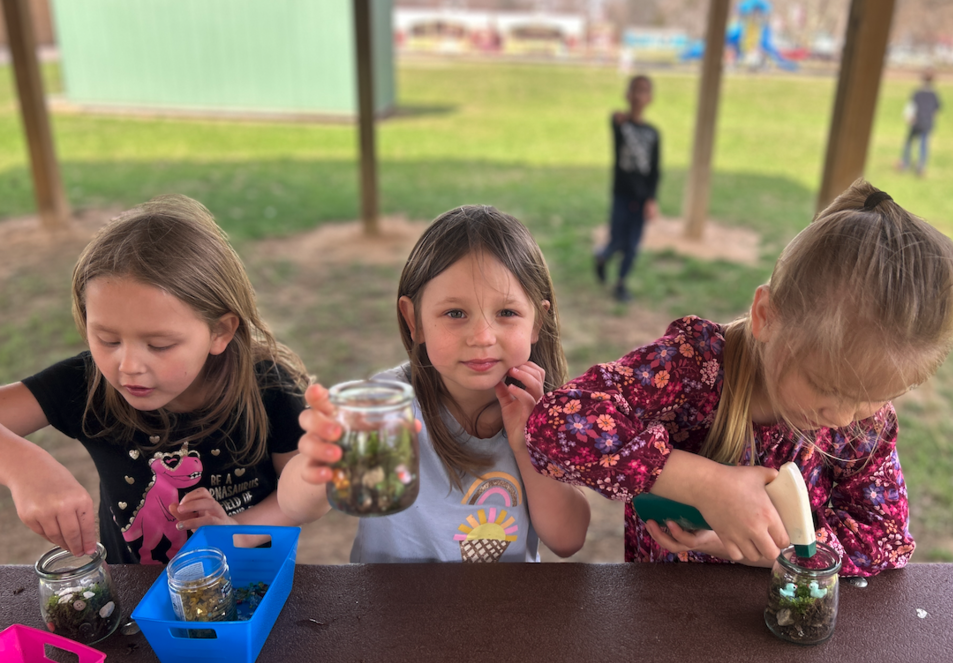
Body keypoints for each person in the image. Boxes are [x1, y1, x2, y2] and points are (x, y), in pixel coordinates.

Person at [528, 180, 953, 577]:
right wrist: (703, 484)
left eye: (875, 396)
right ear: (765, 317)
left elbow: (884, 538)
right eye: (827, 386)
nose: (843, 415)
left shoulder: (866, 426)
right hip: (662, 620)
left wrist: (783, 550)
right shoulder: (694, 366)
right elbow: (555, 425)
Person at [0, 195, 309, 565]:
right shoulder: (84, 383)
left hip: (249, 591)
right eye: (108, 340)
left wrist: (238, 531)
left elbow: (303, 493)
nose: (128, 366)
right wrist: (21, 465)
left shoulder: (269, 386)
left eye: (159, 345)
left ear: (220, 332)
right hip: (133, 597)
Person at [279, 205, 590, 562]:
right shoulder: (384, 407)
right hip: (393, 609)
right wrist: (321, 461)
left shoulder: (543, 408)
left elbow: (568, 540)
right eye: (455, 313)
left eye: (507, 313)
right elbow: (295, 506)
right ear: (415, 321)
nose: (482, 336)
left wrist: (527, 445)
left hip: (505, 612)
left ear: (537, 321)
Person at [594, 74, 660, 303]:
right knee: (616, 241)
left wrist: (651, 199)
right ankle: (602, 257)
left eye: (644, 91)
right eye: (636, 90)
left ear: (650, 98)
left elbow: (655, 170)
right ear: (628, 94)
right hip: (621, 195)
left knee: (632, 245)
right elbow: (614, 120)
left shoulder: (653, 133)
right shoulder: (621, 123)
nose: (639, 96)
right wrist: (620, 118)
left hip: (641, 199)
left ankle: (621, 283)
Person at [899, 68, 942, 177]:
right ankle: (921, 166)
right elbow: (936, 110)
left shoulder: (917, 93)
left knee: (909, 142)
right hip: (927, 123)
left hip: (916, 122)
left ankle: (905, 163)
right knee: (923, 144)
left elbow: (912, 106)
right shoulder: (934, 94)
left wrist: (909, 117)